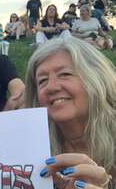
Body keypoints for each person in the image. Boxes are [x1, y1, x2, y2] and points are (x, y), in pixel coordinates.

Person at [25, 36, 116, 189]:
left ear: (96, 78)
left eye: (65, 74)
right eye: (42, 81)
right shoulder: (31, 150)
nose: (51, 87)